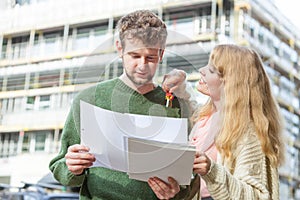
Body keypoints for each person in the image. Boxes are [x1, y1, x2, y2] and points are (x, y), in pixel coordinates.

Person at [49, 10, 195, 200]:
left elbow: (188, 177)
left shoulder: (176, 106)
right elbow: (60, 167)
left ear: (161, 53)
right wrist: (71, 167)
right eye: (134, 56)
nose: (142, 65)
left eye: (150, 57)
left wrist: (176, 192)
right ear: (120, 49)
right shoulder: (89, 99)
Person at [150, 44, 285, 200]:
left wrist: (212, 171)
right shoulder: (205, 119)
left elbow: (257, 196)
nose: (201, 70)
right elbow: (190, 110)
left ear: (232, 84)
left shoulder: (249, 132)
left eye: (212, 70)